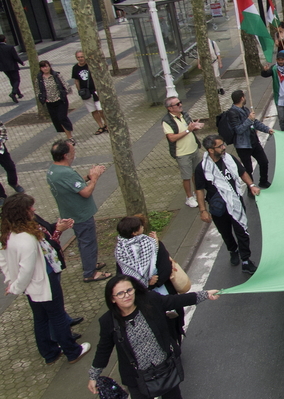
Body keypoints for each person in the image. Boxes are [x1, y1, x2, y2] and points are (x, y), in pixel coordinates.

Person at [88, 275, 221, 399]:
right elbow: (103, 349)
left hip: (164, 366)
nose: (126, 295)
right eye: (120, 293)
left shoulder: (150, 301)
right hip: (137, 376)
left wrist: (205, 295)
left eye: (129, 290)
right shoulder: (108, 322)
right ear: (112, 299)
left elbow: (175, 301)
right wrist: (93, 375)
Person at [0, 194, 91, 364]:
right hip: (44, 281)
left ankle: (49, 353)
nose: (33, 209)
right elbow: (27, 269)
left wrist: (12, 281)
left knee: (40, 318)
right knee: (57, 316)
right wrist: (16, 287)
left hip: (31, 286)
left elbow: (3, 260)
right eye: (29, 208)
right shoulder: (27, 239)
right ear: (21, 212)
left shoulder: (7, 234)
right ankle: (73, 351)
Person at [113, 215, 186, 342]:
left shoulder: (120, 251)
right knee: (171, 325)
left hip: (139, 296)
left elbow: (122, 276)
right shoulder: (151, 243)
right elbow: (165, 267)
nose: (143, 227)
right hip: (161, 290)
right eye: (141, 226)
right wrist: (150, 283)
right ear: (135, 232)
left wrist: (141, 284)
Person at [194, 134, 260, 273]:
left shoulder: (229, 159)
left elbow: (242, 172)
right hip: (219, 208)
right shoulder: (202, 169)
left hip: (235, 202)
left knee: (242, 231)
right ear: (211, 150)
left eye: (223, 144)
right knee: (226, 233)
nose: (224, 147)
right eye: (220, 146)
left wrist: (251, 185)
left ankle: (246, 260)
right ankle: (233, 250)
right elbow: (199, 190)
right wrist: (203, 210)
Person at [46, 139, 110, 282]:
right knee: (88, 242)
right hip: (81, 214)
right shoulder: (66, 173)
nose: (74, 153)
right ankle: (90, 273)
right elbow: (85, 192)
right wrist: (94, 178)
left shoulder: (53, 170)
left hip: (70, 212)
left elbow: (72, 184)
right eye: (72, 151)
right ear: (66, 155)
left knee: (83, 241)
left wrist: (88, 177)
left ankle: (89, 264)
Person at [162, 97, 204, 209]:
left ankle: (197, 192)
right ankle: (189, 197)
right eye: (177, 104)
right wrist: (188, 130)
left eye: (180, 102)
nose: (180, 105)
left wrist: (195, 127)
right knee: (186, 176)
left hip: (193, 148)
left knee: (196, 173)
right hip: (182, 153)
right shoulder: (167, 121)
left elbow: (190, 127)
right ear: (170, 108)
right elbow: (171, 138)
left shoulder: (184, 114)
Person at [228, 90, 273, 189]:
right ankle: (251, 188)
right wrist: (249, 119)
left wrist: (267, 129)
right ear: (242, 98)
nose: (245, 98)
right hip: (243, 146)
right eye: (244, 96)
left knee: (264, 161)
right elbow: (238, 130)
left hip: (253, 141)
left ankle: (263, 181)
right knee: (248, 169)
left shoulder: (245, 109)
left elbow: (255, 123)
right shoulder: (232, 113)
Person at [71, 50, 108, 135]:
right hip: (86, 92)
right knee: (93, 110)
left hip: (95, 90)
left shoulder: (90, 65)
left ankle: (106, 124)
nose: (80, 59)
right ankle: (100, 126)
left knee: (100, 109)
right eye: (78, 57)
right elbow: (76, 80)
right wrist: (79, 90)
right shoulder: (75, 68)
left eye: (82, 57)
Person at [37, 60, 74, 143]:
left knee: (62, 118)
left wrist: (65, 94)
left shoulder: (56, 75)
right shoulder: (39, 78)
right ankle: (66, 134)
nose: (45, 68)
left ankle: (70, 137)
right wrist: (42, 98)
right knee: (56, 120)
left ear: (50, 67)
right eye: (43, 67)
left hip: (60, 100)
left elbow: (65, 85)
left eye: (46, 66)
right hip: (49, 102)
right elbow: (38, 90)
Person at [0, 119, 25, 204]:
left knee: (10, 167)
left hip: (0, 150)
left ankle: (13, 183)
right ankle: (1, 196)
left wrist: (1, 141)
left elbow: (2, 129)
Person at [0, 34, 25, 103]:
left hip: (4, 67)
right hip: (12, 66)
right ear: (4, 39)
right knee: (17, 80)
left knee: (12, 79)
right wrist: (21, 63)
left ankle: (19, 93)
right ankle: (13, 93)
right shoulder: (10, 47)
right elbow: (15, 57)